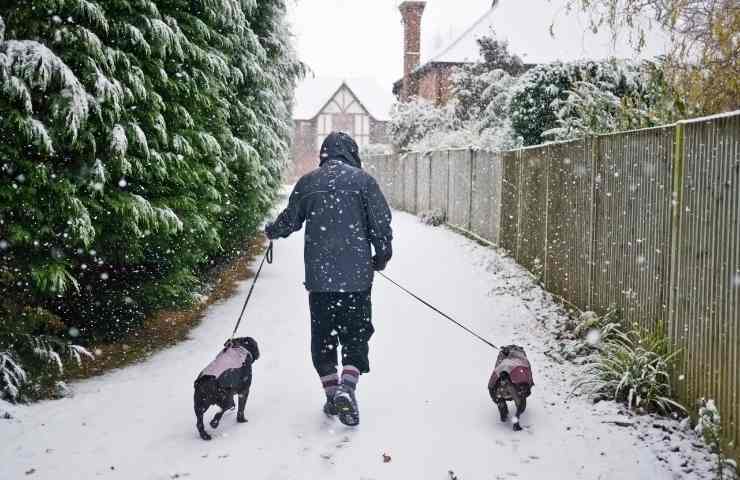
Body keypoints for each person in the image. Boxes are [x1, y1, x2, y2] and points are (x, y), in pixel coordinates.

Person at [265, 131, 393, 427]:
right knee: (356, 334)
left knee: (323, 339)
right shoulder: (364, 182)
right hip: (357, 280)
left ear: (325, 154)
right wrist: (381, 256)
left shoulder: (309, 182)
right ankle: (347, 388)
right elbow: (381, 225)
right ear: (352, 153)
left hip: (320, 281)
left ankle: (332, 391)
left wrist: (272, 231)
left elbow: (290, 220)